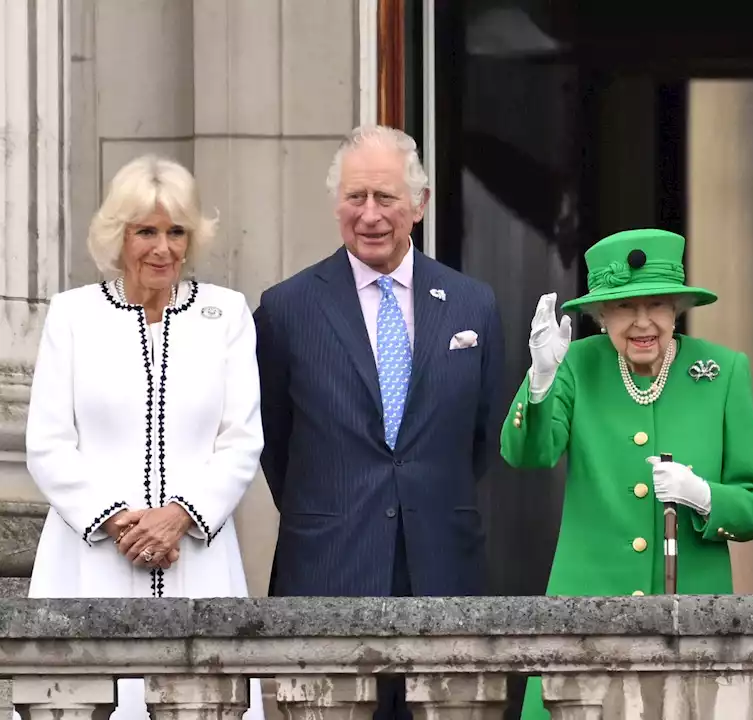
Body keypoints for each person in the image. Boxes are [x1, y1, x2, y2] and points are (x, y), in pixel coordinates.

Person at [254, 125, 504, 720]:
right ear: (337, 202)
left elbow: (481, 436)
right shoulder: (286, 309)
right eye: (355, 197)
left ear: (418, 204)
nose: (370, 215)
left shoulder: (473, 304)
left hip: (442, 565)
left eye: (386, 198)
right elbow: (273, 442)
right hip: (328, 565)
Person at [23, 155, 264, 720]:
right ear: (119, 236)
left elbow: (242, 440)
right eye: (146, 231)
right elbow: (48, 443)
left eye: (176, 231)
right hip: (91, 560)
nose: (163, 248)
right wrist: (118, 520)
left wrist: (179, 514)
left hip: (196, 554)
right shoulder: (73, 315)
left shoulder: (225, 314)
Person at [501, 228, 753, 719]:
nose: (643, 322)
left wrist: (704, 497)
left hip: (691, 623)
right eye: (625, 307)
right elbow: (527, 454)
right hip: (587, 616)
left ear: (676, 308)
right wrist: (540, 380)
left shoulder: (722, 371)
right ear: (601, 314)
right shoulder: (577, 364)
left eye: (657, 305)